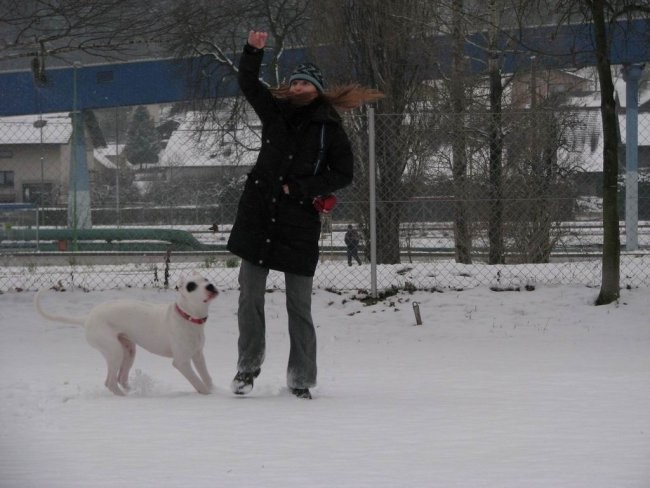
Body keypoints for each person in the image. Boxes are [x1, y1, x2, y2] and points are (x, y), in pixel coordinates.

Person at [227, 31, 383, 399]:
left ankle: (300, 379)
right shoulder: (274, 111)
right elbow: (248, 82)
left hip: (299, 223)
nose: (296, 87)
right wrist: (253, 51)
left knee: (298, 305)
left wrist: (302, 189)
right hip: (259, 215)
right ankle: (246, 369)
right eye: (294, 81)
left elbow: (344, 174)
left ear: (316, 90)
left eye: (304, 83)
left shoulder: (330, 128)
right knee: (249, 297)